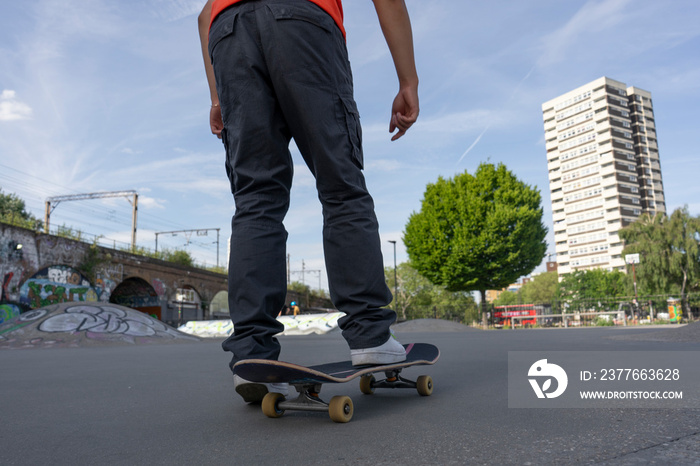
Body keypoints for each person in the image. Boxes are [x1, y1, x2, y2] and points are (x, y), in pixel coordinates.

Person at [198, 0, 419, 402]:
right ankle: (370, 334)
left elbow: (204, 16)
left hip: (228, 34)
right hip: (302, 22)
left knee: (255, 199)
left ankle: (253, 354)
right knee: (341, 185)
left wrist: (217, 97)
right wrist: (409, 80)